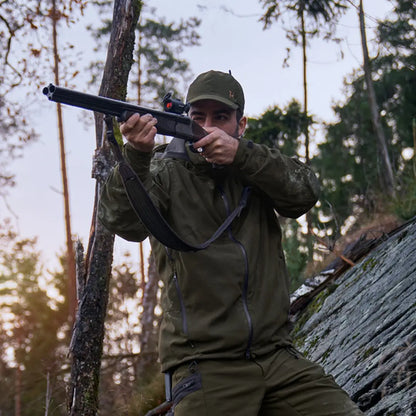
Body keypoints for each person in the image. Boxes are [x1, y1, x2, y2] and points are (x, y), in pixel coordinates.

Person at [98, 70, 364, 415]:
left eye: (221, 117)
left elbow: (304, 192)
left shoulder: (255, 164)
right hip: (205, 366)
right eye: (199, 117)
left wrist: (242, 157)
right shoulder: (163, 172)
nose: (208, 126)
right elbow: (122, 223)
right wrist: (136, 154)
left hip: (278, 356)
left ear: (241, 125)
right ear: (186, 118)